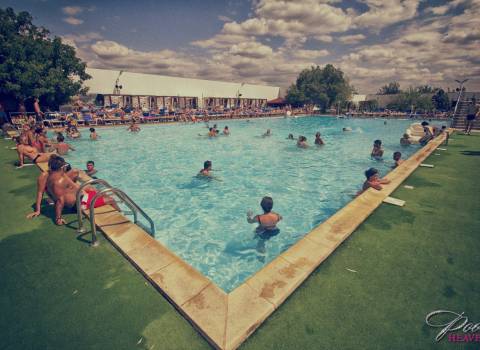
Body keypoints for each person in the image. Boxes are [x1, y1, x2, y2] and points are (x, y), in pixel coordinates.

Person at [26, 155, 80, 219]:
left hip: (62, 190)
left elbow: (74, 185)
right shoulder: (44, 176)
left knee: (75, 171)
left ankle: (68, 194)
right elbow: (40, 193)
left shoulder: (60, 172)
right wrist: (38, 210)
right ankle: (57, 200)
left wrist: (77, 189)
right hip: (54, 193)